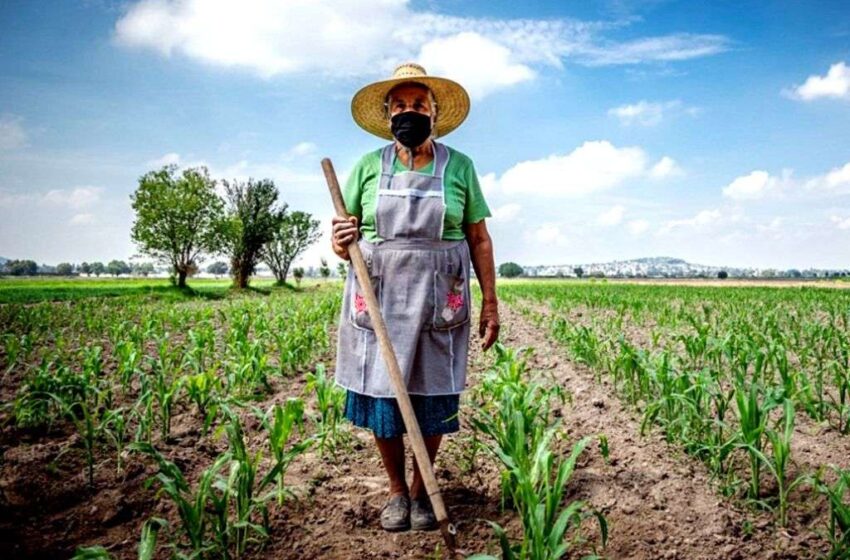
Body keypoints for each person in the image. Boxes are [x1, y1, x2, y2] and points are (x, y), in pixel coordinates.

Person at [330, 62, 499, 532]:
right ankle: (397, 492)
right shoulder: (367, 167)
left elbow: (479, 239)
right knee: (385, 396)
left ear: (434, 112)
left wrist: (490, 302)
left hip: (438, 294)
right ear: (387, 117)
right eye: (400, 106)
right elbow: (343, 242)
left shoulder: (459, 166)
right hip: (380, 294)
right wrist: (341, 237)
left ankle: (425, 491)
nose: (409, 112)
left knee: (432, 395)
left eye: (418, 105)